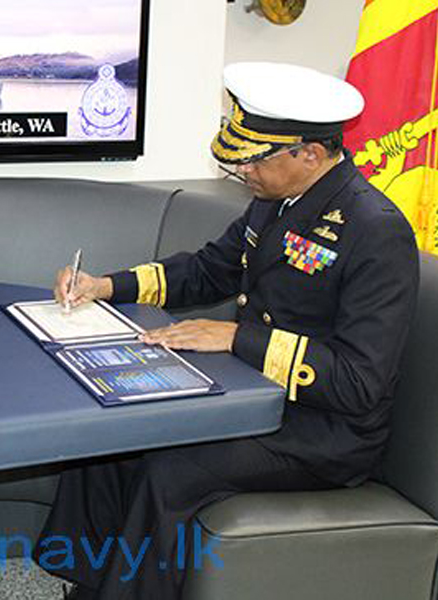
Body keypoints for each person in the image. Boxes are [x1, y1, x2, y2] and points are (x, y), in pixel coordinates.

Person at [34, 62, 420, 599]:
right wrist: (106, 286)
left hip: (322, 432)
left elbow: (359, 381)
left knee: (168, 471)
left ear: (307, 153)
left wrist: (236, 338)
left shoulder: (375, 231)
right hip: (247, 398)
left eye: (255, 159)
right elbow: (207, 269)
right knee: (110, 437)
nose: (243, 172)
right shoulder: (275, 204)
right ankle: (89, 582)